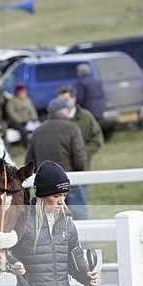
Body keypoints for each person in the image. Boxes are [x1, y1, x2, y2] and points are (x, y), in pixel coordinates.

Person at [25, 98, 89, 220]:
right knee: (81, 220)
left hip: (47, 189)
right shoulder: (72, 129)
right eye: (67, 109)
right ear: (60, 111)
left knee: (48, 223)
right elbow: (80, 159)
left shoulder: (38, 131)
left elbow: (29, 160)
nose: (69, 112)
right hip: (71, 184)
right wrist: (81, 174)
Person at [56, 84, 104, 217]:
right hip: (60, 171)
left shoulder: (85, 117)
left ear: (74, 99)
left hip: (80, 169)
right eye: (60, 101)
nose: (62, 104)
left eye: (66, 100)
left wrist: (82, 154)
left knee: (78, 207)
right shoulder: (54, 120)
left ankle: (83, 231)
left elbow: (97, 139)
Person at [5, 83, 39, 148]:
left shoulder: (27, 100)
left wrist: (34, 118)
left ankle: (36, 145)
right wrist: (20, 120)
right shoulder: (12, 101)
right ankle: (27, 147)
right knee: (23, 131)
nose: (24, 93)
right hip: (16, 122)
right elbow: (11, 113)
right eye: (22, 92)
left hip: (27, 121)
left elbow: (32, 110)